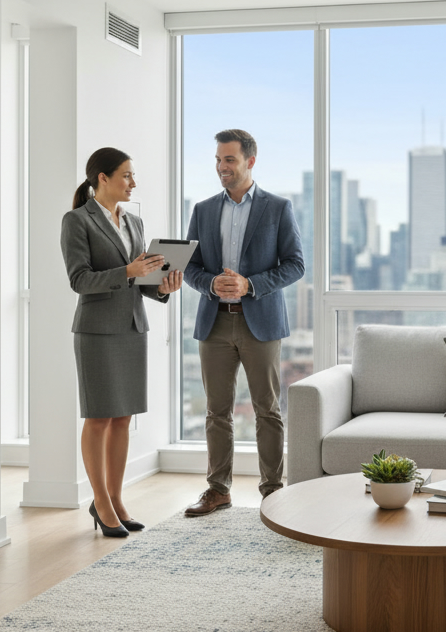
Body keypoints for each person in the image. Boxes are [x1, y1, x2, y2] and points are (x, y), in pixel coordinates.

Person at [61, 147, 183, 537]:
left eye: (133, 176)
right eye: (127, 175)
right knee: (98, 417)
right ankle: (100, 502)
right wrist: (127, 270)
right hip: (96, 330)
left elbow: (138, 282)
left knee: (123, 417)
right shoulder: (76, 221)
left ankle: (116, 499)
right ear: (102, 178)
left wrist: (162, 287)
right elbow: (79, 280)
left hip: (132, 326)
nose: (133, 183)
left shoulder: (133, 221)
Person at [182, 129, 304, 516]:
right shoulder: (202, 210)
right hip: (214, 322)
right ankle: (218, 490)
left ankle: (273, 492)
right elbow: (190, 267)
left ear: (250, 161)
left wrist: (250, 284)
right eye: (218, 160)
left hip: (260, 323)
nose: (222, 167)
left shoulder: (277, 208)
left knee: (267, 409)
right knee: (217, 411)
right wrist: (211, 282)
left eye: (229, 160)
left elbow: (296, 265)